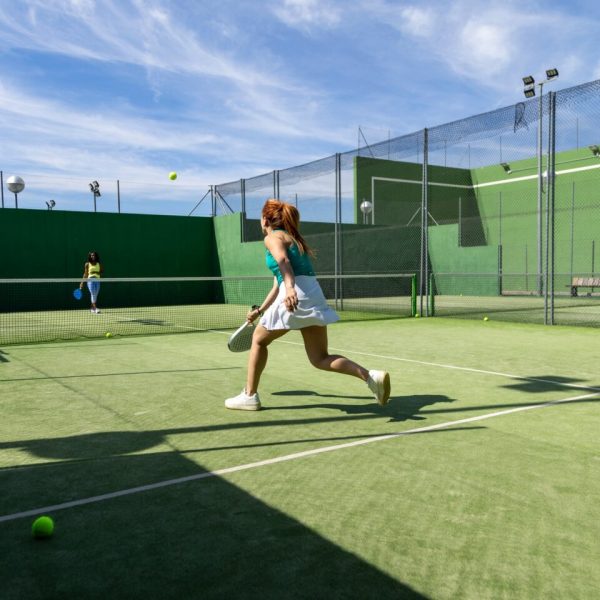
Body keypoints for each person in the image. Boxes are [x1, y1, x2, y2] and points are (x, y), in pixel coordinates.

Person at [225, 199, 390, 411]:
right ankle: (371, 377)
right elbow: (277, 284)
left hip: (294, 294)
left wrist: (291, 288)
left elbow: (283, 263)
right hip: (312, 293)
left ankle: (249, 395)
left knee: (258, 340)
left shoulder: (273, 237)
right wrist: (259, 311)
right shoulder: (293, 239)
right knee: (320, 358)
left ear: (265, 219)